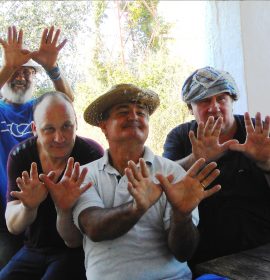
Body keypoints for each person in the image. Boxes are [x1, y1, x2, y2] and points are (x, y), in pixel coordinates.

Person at [43, 83, 221, 280]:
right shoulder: (85, 175)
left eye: (141, 113)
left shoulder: (172, 173)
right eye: (123, 111)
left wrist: (181, 215)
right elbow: (93, 228)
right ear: (104, 127)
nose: (134, 117)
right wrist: (136, 208)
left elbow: (183, 253)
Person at [163, 66, 270, 268]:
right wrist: (194, 158)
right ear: (190, 108)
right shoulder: (180, 136)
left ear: (232, 102)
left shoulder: (257, 132)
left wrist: (265, 162)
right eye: (204, 100)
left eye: (221, 99)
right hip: (206, 259)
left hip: (262, 253)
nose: (214, 107)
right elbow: (164, 178)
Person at [0, 91, 103, 279]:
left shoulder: (91, 155)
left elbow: (76, 240)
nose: (59, 137)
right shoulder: (21, 156)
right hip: (33, 249)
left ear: (76, 123)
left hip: (76, 251)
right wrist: (28, 207)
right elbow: (13, 226)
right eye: (49, 129)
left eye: (66, 126)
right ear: (34, 129)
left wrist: (64, 209)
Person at [0, 25, 74, 269]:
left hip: (47, 213)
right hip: (7, 214)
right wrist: (8, 66)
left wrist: (52, 68)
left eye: (27, 73)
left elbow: (67, 105)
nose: (20, 77)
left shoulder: (39, 108)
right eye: (15, 73)